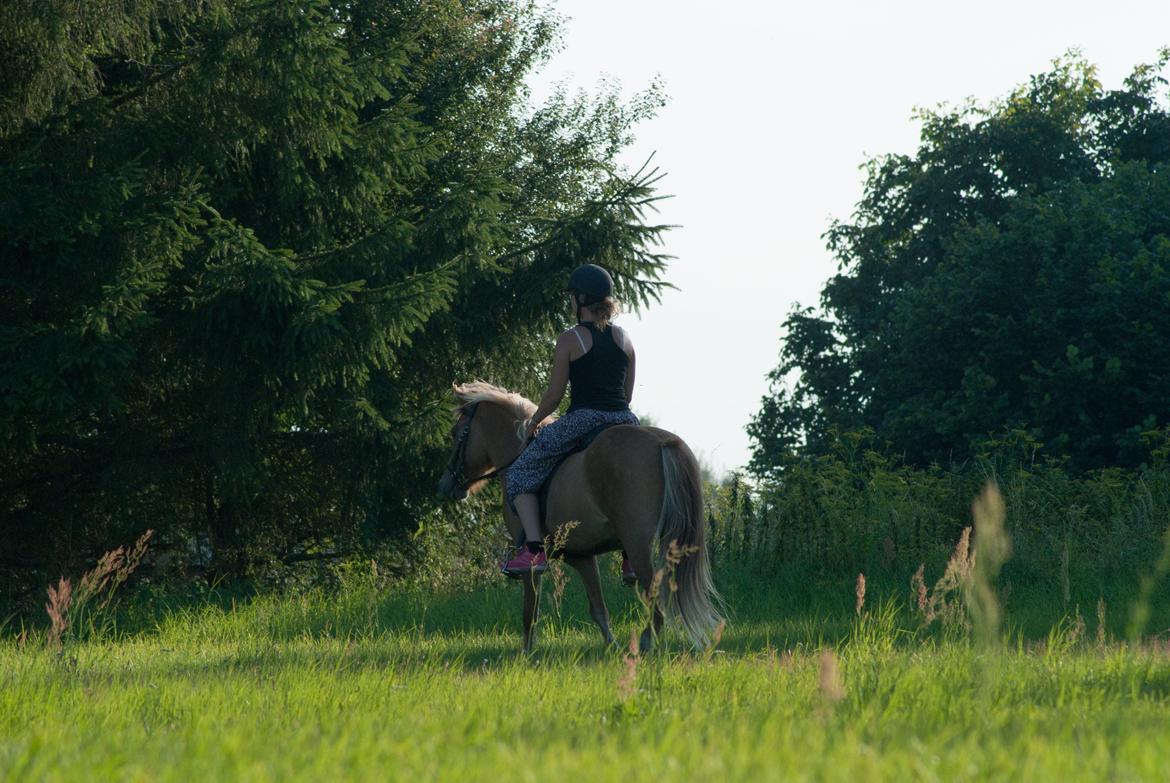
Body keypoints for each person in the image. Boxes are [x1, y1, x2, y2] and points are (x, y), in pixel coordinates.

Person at [501, 264, 640, 577]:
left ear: (580, 299)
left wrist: (534, 422)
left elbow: (553, 396)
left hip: (584, 418)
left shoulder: (570, 339)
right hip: (626, 420)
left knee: (521, 472)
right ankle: (632, 557)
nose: (569, 304)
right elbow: (627, 395)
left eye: (571, 298)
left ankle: (535, 550)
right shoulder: (625, 338)